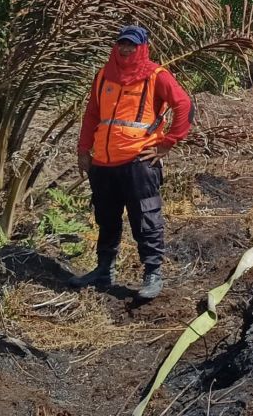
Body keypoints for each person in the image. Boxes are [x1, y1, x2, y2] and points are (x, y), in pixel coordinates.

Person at [69, 25, 192, 300]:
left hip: (138, 161)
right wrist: (83, 151)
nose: (125, 49)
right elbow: (91, 115)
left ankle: (152, 273)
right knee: (106, 218)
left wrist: (167, 143)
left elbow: (183, 105)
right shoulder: (103, 76)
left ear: (142, 48)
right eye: (122, 44)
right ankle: (103, 270)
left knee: (145, 218)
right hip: (103, 163)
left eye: (132, 45)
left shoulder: (155, 76)